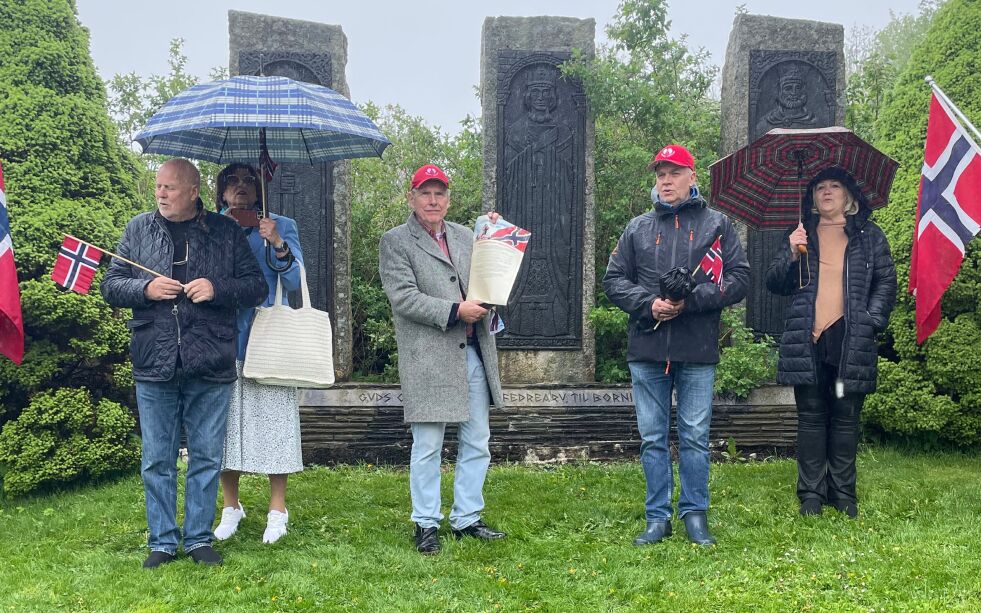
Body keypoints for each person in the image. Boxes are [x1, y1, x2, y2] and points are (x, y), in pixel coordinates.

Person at [102, 158, 266, 568]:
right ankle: (162, 541)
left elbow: (256, 287)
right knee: (158, 457)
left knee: (207, 456)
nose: (160, 193)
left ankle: (197, 540)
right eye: (158, 186)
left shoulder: (226, 232)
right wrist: (145, 288)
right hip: (154, 360)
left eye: (170, 187)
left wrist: (216, 287)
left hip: (210, 358)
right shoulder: (138, 229)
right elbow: (111, 285)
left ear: (194, 191)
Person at [603, 144, 749, 546]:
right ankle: (657, 517)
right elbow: (613, 281)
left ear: (692, 176)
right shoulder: (636, 228)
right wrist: (649, 304)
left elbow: (738, 278)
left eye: (673, 172)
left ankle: (694, 514)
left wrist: (691, 301)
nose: (665, 180)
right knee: (652, 437)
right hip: (647, 349)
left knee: (694, 435)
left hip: (697, 348)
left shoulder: (717, 225)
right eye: (660, 174)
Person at [378, 163, 507, 555]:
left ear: (448, 200)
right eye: (424, 193)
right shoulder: (396, 241)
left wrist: (495, 235)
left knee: (477, 441)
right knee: (429, 444)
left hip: (474, 353)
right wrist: (455, 312)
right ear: (411, 198)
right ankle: (426, 523)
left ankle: (467, 518)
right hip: (429, 357)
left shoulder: (468, 236)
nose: (432, 200)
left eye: (439, 194)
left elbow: (490, 278)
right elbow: (403, 298)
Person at [765, 167, 896, 518]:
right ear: (812, 197)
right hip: (809, 341)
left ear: (849, 195)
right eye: (820, 187)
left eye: (834, 186)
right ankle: (810, 494)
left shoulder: (870, 236)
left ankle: (843, 494)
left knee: (844, 417)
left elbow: (885, 281)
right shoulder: (800, 234)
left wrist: (872, 320)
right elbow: (775, 283)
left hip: (849, 340)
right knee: (810, 418)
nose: (826, 192)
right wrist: (792, 253)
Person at [209, 163, 305, 545]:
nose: (241, 188)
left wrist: (277, 242)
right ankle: (231, 506)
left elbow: (296, 281)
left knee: (274, 422)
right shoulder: (210, 225)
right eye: (233, 181)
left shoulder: (281, 224)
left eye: (250, 181)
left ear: (262, 186)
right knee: (223, 426)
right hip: (219, 338)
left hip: (268, 340)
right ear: (222, 190)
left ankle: (277, 508)